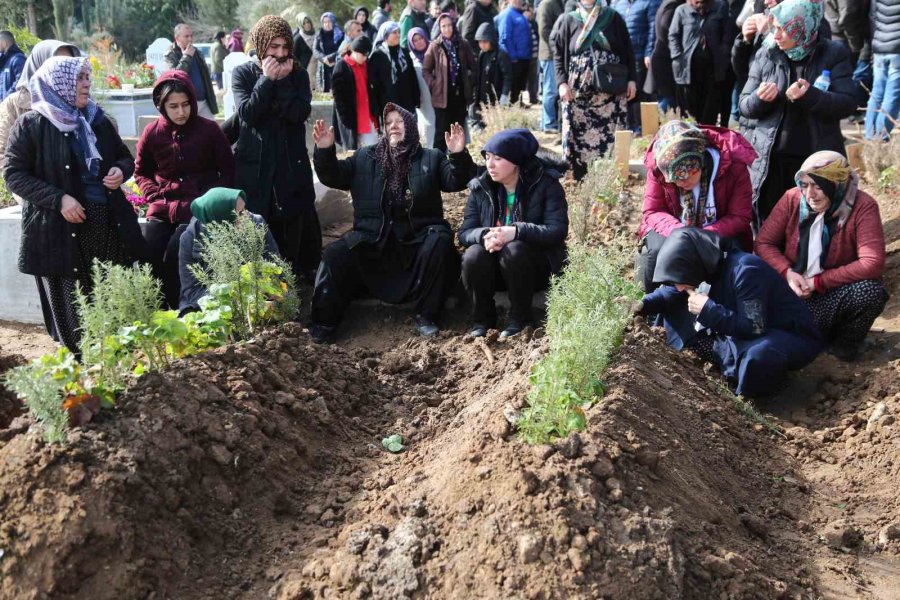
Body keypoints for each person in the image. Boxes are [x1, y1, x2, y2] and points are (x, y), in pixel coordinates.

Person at [4, 56, 145, 354]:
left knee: (111, 296)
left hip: (106, 224)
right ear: (59, 84)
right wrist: (58, 199)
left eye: (87, 78)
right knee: (74, 306)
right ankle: (85, 363)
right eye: (79, 78)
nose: (86, 84)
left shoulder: (96, 120)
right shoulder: (31, 124)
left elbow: (124, 157)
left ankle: (115, 361)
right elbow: (13, 174)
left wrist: (120, 171)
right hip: (59, 230)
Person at [309, 104, 475, 342]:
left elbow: (455, 181)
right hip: (373, 240)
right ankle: (324, 324)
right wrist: (325, 150)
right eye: (388, 122)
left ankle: (426, 316)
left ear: (411, 126)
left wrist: (458, 155)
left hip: (418, 240)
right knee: (334, 255)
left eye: (399, 121)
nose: (393, 126)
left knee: (440, 244)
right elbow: (333, 175)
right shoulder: (364, 157)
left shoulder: (431, 158)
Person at [632, 228, 822, 397]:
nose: (679, 287)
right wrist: (642, 305)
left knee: (759, 356)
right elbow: (672, 292)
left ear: (692, 264)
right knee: (671, 306)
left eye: (680, 280)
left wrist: (709, 310)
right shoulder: (705, 266)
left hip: (782, 333)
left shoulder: (746, 270)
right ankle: (716, 361)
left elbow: (754, 327)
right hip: (737, 324)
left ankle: (760, 392)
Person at [756, 151, 888, 361]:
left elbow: (871, 263)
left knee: (870, 292)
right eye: (805, 185)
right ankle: (803, 340)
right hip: (792, 292)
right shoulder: (792, 198)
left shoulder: (862, 206)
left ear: (837, 184)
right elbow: (764, 243)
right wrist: (787, 273)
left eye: (819, 186)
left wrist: (819, 282)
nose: (810, 194)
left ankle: (841, 348)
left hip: (832, 295)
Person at [738, 0, 856, 230]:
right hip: (771, 161)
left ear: (801, 26)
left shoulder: (832, 53)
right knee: (770, 227)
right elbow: (744, 106)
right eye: (774, 27)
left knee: (813, 227)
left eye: (783, 28)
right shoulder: (767, 52)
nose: (776, 35)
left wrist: (811, 96)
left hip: (814, 161)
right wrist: (759, 99)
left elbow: (848, 103)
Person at [134, 70, 235, 308]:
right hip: (163, 208)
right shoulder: (153, 133)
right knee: (150, 254)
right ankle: (159, 311)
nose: (181, 112)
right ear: (161, 106)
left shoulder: (209, 131)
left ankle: (183, 309)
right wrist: (153, 195)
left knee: (177, 253)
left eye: (186, 104)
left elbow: (228, 172)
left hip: (197, 208)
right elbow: (141, 171)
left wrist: (207, 201)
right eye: (173, 106)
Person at [232, 15, 319, 282]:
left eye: (285, 47)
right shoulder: (243, 74)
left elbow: (298, 113)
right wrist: (267, 80)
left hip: (290, 161)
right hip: (256, 164)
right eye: (274, 47)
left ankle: (293, 278)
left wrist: (281, 83)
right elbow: (248, 114)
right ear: (261, 46)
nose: (280, 54)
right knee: (259, 222)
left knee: (293, 221)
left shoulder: (298, 74)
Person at [459, 129, 568, 338]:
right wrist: (485, 235)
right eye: (487, 157)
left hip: (533, 269)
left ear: (516, 161)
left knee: (514, 249)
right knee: (473, 254)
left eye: (498, 159)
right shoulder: (481, 187)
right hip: (493, 270)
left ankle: (520, 318)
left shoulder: (545, 185)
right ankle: (482, 320)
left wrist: (516, 231)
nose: (490, 165)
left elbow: (557, 230)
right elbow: (465, 232)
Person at [637, 120, 756, 293]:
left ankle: (720, 303)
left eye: (684, 177)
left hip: (718, 231)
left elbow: (740, 216)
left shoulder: (734, 166)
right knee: (656, 250)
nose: (679, 183)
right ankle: (653, 301)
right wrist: (682, 234)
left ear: (700, 164)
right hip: (673, 228)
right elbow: (653, 210)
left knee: (733, 259)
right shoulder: (658, 167)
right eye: (673, 180)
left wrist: (702, 236)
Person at [553, 0, 637, 180]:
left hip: (610, 93)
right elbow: (558, 55)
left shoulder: (613, 18)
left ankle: (611, 179)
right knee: (577, 137)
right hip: (577, 95)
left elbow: (628, 50)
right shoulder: (568, 20)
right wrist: (561, 83)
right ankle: (580, 179)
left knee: (612, 138)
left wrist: (632, 80)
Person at [178, 188, 281, 315]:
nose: (247, 216)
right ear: (222, 218)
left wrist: (263, 293)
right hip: (208, 304)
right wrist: (230, 302)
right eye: (240, 213)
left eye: (245, 209)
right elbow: (192, 289)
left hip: (256, 297)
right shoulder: (189, 238)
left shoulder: (256, 223)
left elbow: (275, 266)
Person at [0, 40, 79, 181]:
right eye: (56, 63)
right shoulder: (15, 104)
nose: (62, 69)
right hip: (32, 188)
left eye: (67, 63)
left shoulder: (82, 102)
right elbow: (4, 156)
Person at [668, 0, 728, 124]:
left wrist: (723, 53)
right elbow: (673, 35)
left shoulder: (719, 7)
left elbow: (727, 34)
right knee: (689, 112)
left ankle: (708, 133)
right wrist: (677, 56)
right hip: (688, 70)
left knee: (710, 109)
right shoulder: (682, 10)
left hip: (712, 69)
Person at [423, 13, 476, 152]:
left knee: (458, 132)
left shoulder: (462, 44)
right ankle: (437, 161)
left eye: (449, 25)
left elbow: (473, 66)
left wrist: (469, 82)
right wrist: (434, 84)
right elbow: (426, 70)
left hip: (460, 96)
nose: (447, 29)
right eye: (443, 26)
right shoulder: (435, 45)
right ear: (439, 28)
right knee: (441, 133)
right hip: (442, 97)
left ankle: (457, 161)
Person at [612, 0, 662, 134]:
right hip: (621, 56)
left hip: (639, 54)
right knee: (622, 90)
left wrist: (649, 52)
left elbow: (653, 29)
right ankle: (628, 125)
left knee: (639, 91)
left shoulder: (649, 2)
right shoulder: (618, 4)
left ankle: (641, 127)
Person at [331, 36, 379, 150]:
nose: (365, 58)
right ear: (354, 51)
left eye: (367, 56)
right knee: (353, 151)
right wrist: (345, 119)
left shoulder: (366, 65)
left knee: (373, 148)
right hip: (350, 117)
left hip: (366, 115)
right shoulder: (342, 66)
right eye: (363, 55)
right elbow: (338, 96)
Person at [370, 21, 422, 125]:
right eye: (394, 33)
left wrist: (416, 98)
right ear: (385, 35)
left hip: (407, 104)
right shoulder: (377, 56)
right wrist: (376, 109)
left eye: (399, 32)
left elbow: (412, 77)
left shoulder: (404, 53)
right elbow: (374, 85)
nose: (398, 35)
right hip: (388, 106)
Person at [164, 24, 218, 119]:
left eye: (191, 36)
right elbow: (175, 76)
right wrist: (187, 57)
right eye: (186, 36)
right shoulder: (170, 54)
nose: (190, 39)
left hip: (204, 102)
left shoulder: (196, 52)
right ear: (177, 38)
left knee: (211, 127)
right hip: (185, 104)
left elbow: (205, 78)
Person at [864, 0, 900, 140]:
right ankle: (880, 139)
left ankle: (870, 136)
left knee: (877, 94)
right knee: (892, 95)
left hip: (879, 46)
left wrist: (875, 42)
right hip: (897, 49)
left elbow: (872, 16)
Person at [469, 22, 513, 130]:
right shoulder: (482, 54)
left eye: (485, 42)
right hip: (483, 98)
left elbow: (508, 76)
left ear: (491, 41)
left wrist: (504, 95)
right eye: (480, 42)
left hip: (496, 96)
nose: (482, 45)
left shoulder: (501, 54)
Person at [645, 0, 685, 112]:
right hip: (665, 63)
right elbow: (665, 31)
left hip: (664, 61)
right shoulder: (673, 5)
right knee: (668, 104)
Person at [494, 0, 532, 104]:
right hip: (514, 60)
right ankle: (513, 108)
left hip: (524, 57)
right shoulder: (507, 14)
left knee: (520, 87)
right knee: (513, 89)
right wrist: (513, 57)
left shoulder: (520, 14)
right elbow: (505, 38)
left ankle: (518, 105)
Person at [537, 0, 565, 132]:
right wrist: (558, 47)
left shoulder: (556, 3)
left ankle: (547, 122)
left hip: (552, 53)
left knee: (550, 90)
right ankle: (549, 123)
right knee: (550, 90)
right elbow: (544, 31)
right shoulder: (547, 4)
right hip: (549, 54)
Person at [408, 27, 437, 147]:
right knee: (427, 126)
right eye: (415, 40)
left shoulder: (435, 51)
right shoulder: (410, 58)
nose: (419, 42)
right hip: (424, 100)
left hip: (439, 95)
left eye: (421, 38)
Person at [314, 12, 343, 92]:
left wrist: (331, 58)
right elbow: (315, 50)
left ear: (333, 22)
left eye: (329, 21)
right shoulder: (319, 34)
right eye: (325, 22)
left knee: (337, 89)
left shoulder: (340, 34)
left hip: (336, 63)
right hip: (323, 66)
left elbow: (342, 49)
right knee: (324, 90)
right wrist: (324, 59)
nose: (327, 24)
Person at [295, 12, 319, 91]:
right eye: (304, 23)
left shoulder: (317, 35)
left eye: (308, 22)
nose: (307, 25)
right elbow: (294, 57)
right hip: (305, 72)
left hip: (318, 70)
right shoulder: (298, 39)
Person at [0, 31, 26, 101]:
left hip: (13, 104)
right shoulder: (4, 61)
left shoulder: (18, 58)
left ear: (4, 43)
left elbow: (21, 82)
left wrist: (7, 98)